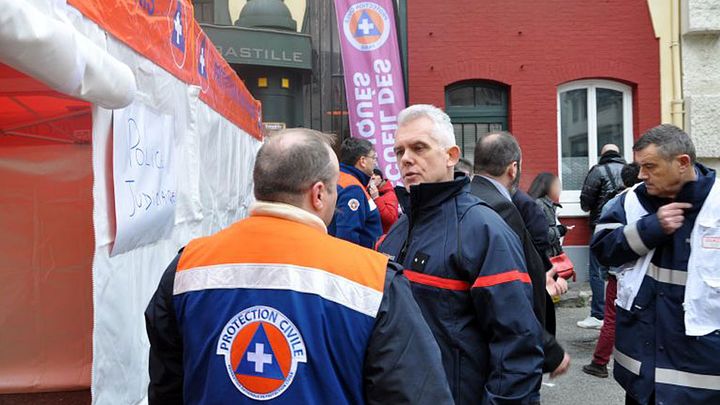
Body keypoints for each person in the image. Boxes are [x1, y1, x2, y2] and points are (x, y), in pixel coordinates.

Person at [145, 129, 453, 404]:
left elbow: (166, 387)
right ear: (319, 194)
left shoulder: (186, 268)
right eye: (335, 190)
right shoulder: (373, 281)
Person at [377, 105, 543, 404]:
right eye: (399, 151)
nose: (406, 159)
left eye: (419, 147)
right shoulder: (397, 231)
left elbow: (517, 349)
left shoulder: (485, 230)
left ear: (451, 156)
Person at [592, 125, 720, 404]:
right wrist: (650, 229)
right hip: (643, 376)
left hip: (703, 377)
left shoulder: (716, 203)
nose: (641, 175)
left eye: (650, 166)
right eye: (639, 166)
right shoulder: (630, 201)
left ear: (682, 163)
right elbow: (602, 249)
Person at [470, 132, 569, 385]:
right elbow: (514, 293)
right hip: (508, 353)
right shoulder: (503, 208)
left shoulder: (466, 197)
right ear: (513, 169)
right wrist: (548, 347)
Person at [582, 162, 641, 379]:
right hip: (643, 272)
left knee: (612, 317)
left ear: (623, 180)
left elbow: (604, 241)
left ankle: (599, 362)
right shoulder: (655, 203)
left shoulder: (616, 203)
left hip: (620, 272)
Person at [578, 143, 626, 329]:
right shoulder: (629, 169)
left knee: (597, 270)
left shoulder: (597, 171)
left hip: (602, 226)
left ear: (602, 154)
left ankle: (598, 314)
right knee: (622, 270)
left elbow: (586, 201)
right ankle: (619, 312)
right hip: (625, 226)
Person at [328, 137, 383, 248]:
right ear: (362, 161)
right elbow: (347, 236)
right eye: (373, 158)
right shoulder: (352, 189)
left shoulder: (338, 179)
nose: (375, 163)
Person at [528, 172, 573, 260]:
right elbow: (540, 233)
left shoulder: (548, 204)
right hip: (543, 259)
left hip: (551, 256)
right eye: (556, 186)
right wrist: (561, 230)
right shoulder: (539, 204)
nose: (559, 190)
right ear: (547, 187)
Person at [369, 168, 399, 233]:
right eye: (370, 177)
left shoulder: (389, 194)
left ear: (381, 179)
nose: (372, 178)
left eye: (375, 176)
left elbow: (391, 219)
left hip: (386, 236)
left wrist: (376, 198)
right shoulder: (367, 191)